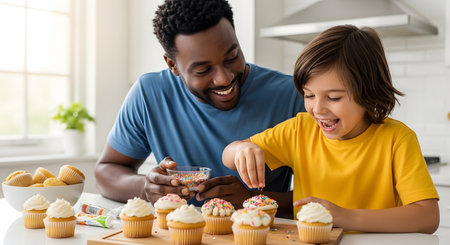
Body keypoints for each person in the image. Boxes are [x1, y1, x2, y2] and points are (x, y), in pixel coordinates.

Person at [94, 0, 304, 218]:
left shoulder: (293, 96)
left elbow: (330, 196)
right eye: (203, 70)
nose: (224, 78)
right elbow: (106, 171)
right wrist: (147, 187)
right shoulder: (150, 94)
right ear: (172, 65)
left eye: (232, 57)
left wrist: (252, 201)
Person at [222, 25, 440, 233]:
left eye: (334, 97)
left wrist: (345, 217)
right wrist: (241, 149)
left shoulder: (397, 139)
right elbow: (228, 156)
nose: (317, 109)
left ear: (368, 93)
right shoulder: (300, 129)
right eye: (309, 95)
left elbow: (427, 217)